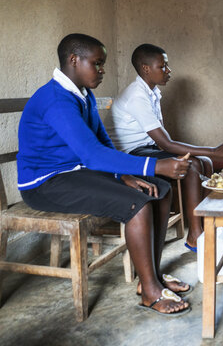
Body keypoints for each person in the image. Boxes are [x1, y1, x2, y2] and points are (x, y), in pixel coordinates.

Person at [17, 34, 193, 316]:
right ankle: (149, 292)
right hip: (45, 183)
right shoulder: (56, 100)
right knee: (138, 203)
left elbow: (102, 143)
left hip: (75, 173)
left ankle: (152, 277)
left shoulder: (82, 95)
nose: (102, 71)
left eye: (103, 65)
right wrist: (153, 166)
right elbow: (92, 155)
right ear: (74, 60)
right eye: (97, 64)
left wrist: (123, 175)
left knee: (160, 190)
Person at [108, 43, 223, 252]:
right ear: (145, 69)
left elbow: (162, 140)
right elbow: (165, 144)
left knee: (204, 163)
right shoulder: (137, 96)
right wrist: (214, 150)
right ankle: (195, 235)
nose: (168, 71)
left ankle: (205, 225)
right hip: (131, 155)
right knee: (193, 164)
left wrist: (210, 155)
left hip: (147, 148)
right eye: (163, 66)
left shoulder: (152, 92)